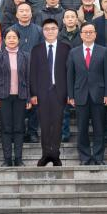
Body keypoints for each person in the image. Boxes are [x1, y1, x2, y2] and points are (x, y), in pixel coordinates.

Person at [67, 22, 107, 165]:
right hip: (80, 95)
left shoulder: (103, 51)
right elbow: (70, 75)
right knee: (82, 129)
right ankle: (85, 157)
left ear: (95, 34)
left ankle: (98, 157)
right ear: (80, 35)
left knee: (99, 129)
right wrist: (71, 95)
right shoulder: (73, 52)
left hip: (99, 95)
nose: (88, 34)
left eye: (91, 32)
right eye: (85, 32)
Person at [30, 18, 71, 166]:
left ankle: (55, 155)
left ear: (58, 30)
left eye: (53, 28)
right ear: (43, 31)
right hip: (42, 92)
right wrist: (33, 93)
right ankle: (45, 154)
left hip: (60, 91)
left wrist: (69, 93)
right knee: (45, 124)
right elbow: (32, 72)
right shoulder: (37, 49)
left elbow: (69, 72)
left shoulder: (66, 48)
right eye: (47, 29)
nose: (50, 31)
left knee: (58, 124)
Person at [0, 28, 31, 167]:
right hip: (4, 97)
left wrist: (28, 98)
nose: (12, 40)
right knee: (6, 128)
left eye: (14, 37)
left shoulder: (25, 56)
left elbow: (28, 78)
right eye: (9, 37)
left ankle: (18, 159)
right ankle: (7, 159)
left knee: (19, 128)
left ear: (19, 39)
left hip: (21, 96)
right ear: (4, 40)